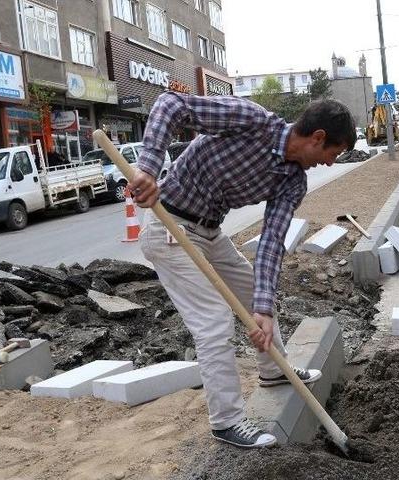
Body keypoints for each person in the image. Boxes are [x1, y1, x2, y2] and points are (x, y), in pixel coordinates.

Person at [128, 93, 356, 448]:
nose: (330, 163)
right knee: (214, 320)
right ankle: (227, 422)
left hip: (209, 231)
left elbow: (270, 245)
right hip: (168, 225)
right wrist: (147, 168)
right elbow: (171, 106)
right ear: (318, 138)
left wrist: (263, 311)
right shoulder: (252, 121)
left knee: (254, 291)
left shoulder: (292, 182)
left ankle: (274, 371)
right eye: (333, 154)